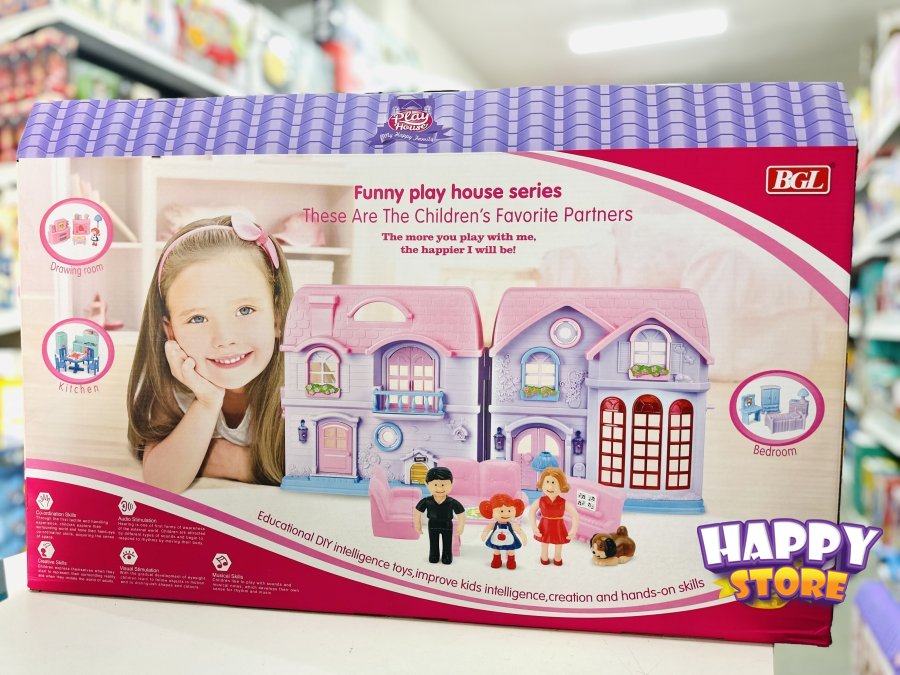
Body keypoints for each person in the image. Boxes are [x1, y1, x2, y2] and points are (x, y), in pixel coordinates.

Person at [127, 215, 293, 493]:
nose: (224, 339)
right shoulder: (175, 388)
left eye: (245, 310)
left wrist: (233, 462)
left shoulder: (304, 385)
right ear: (171, 332)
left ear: (276, 317)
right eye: (198, 318)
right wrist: (206, 402)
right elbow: (162, 481)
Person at [414, 467, 466, 564]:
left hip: (447, 525)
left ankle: (447, 555)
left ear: (452, 483)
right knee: (433, 541)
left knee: (447, 542)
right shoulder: (427, 501)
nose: (440, 489)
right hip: (432, 525)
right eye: (435, 485)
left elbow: (461, 513)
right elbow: (417, 512)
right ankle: (434, 555)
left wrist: (461, 526)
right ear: (427, 484)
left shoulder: (451, 502)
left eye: (443, 485)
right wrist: (417, 524)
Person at [529, 467, 580, 566]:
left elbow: (575, 515)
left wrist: (574, 529)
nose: (550, 487)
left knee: (558, 543)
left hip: (558, 525)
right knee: (544, 542)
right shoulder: (540, 500)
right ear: (542, 483)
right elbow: (531, 512)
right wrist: (534, 526)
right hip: (545, 525)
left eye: (553, 483)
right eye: (547, 482)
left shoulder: (563, 502)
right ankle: (544, 557)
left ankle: (558, 557)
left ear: (561, 485)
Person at [479, 493, 527, 569]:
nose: (506, 514)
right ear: (491, 511)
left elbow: (519, 531)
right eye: (501, 511)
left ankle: (511, 561)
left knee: (511, 550)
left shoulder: (512, 525)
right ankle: (496, 559)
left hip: (510, 540)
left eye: (509, 510)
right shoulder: (493, 524)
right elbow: (487, 529)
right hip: (496, 539)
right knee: (496, 549)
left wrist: (524, 537)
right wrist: (484, 534)